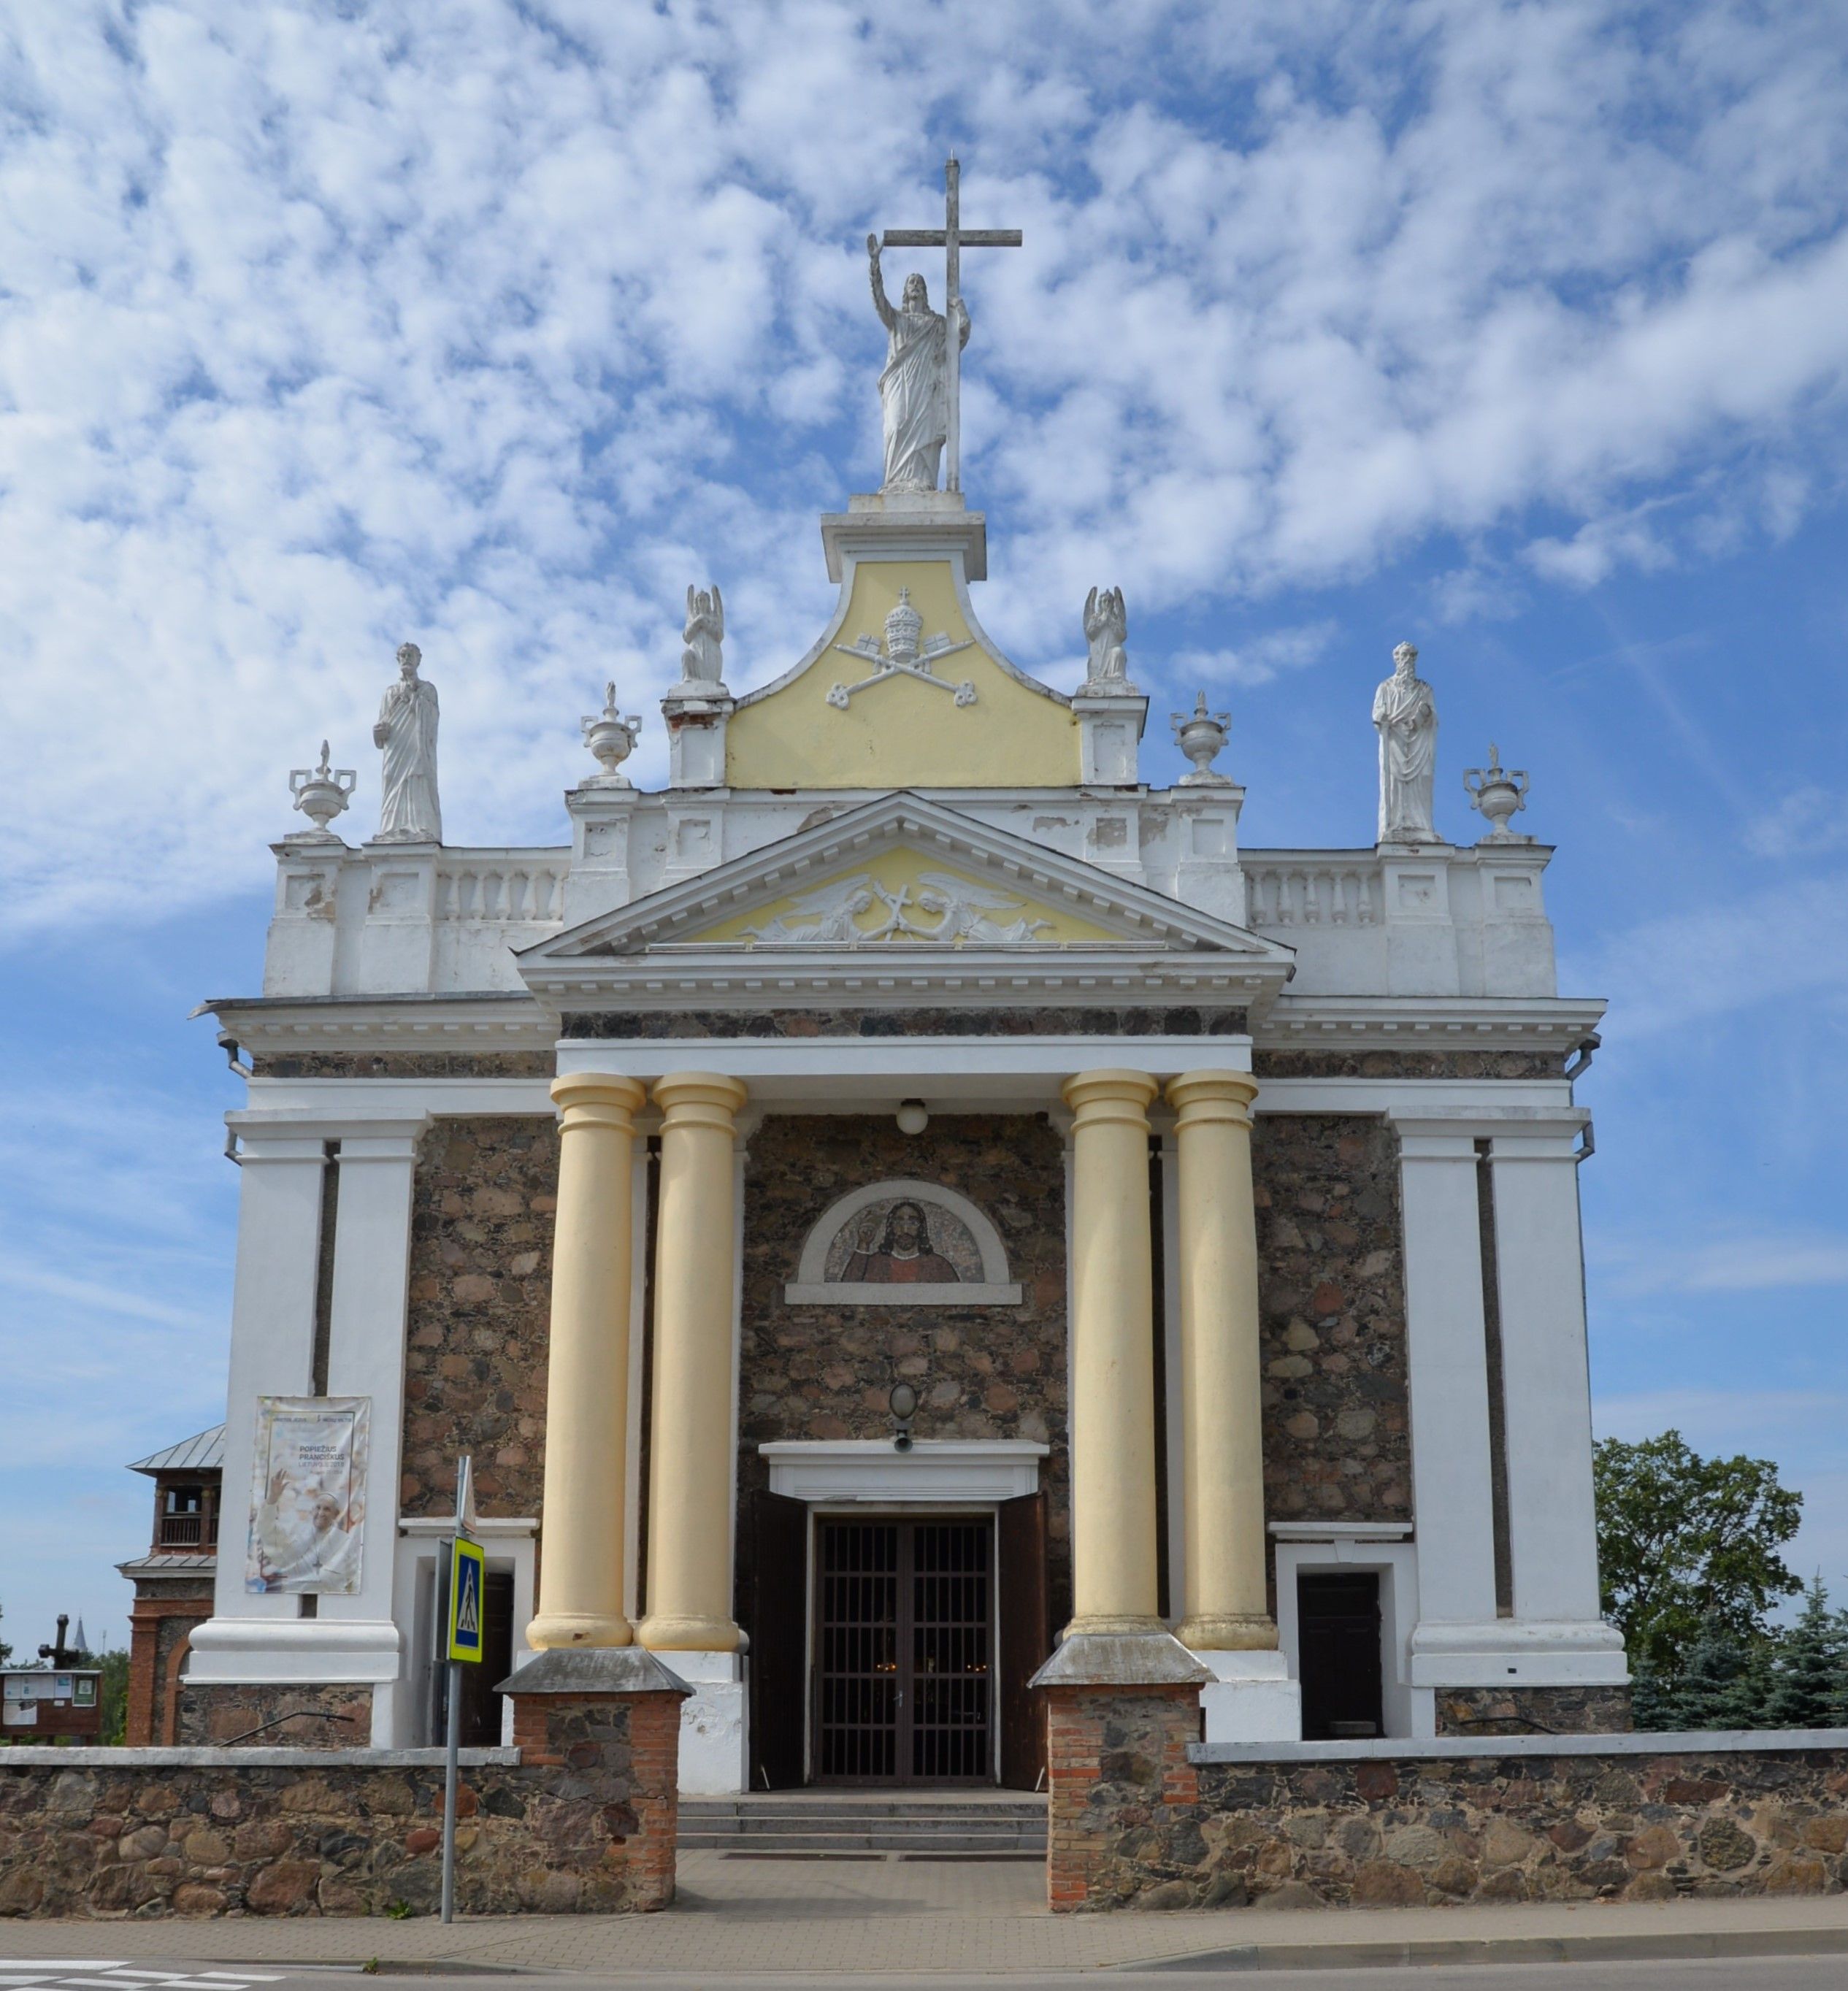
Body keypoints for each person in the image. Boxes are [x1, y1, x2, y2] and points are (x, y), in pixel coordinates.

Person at [868, 237, 968, 493]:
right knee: (896, 424)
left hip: (926, 383)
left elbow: (956, 343)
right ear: (905, 292)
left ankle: (922, 481)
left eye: (919, 283)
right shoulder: (898, 321)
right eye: (911, 283)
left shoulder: (936, 324)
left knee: (923, 430)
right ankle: (895, 481)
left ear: (925, 291)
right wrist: (875, 265)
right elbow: (880, 303)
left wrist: (962, 314)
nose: (915, 286)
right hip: (899, 381)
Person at [373, 641, 442, 843]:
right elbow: (382, 724)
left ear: (419, 660)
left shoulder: (427, 689)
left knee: (417, 778)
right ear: (398, 660)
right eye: (403, 655)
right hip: (395, 747)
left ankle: (421, 827)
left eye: (411, 655)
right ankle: (391, 828)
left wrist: (414, 698)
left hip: (417, 746)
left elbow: (432, 718)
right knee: (391, 776)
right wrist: (378, 732)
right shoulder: (389, 692)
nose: (407, 659)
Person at [254, 1470, 361, 1592]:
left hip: (327, 1601)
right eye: (318, 1508)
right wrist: (272, 1500)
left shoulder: (343, 1541)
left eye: (327, 1509)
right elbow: (266, 1530)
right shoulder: (297, 1532)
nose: (321, 1513)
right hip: (291, 1598)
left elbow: (350, 1578)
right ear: (312, 1511)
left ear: (335, 1514)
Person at [840, 1200, 962, 1283]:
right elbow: (846, 1289)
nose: (905, 1229)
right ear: (890, 1227)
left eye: (913, 1223)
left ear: (921, 1228)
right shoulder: (874, 1262)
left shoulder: (939, 1265)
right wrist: (864, 1244)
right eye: (899, 1222)